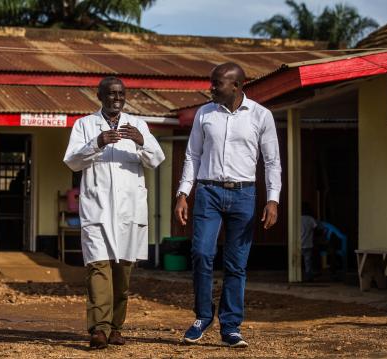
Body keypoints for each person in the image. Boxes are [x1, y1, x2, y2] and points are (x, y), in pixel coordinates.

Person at [174, 62, 281, 348]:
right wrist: (183, 192)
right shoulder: (204, 114)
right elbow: (192, 155)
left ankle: (231, 326)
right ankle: (202, 317)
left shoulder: (261, 115)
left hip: (244, 194)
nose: (211, 88)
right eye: (211, 82)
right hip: (208, 192)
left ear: (236, 86)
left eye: (216, 83)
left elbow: (272, 162)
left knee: (236, 264)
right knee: (200, 253)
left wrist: (273, 199)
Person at [63, 76, 165, 349]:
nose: (116, 98)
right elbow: (72, 162)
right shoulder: (85, 125)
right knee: (98, 268)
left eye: (120, 93)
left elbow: (156, 160)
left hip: (129, 212)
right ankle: (99, 328)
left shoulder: (138, 124)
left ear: (125, 96)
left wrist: (142, 141)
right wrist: (97, 142)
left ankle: (116, 327)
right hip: (97, 209)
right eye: (110, 94)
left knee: (122, 274)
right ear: (100, 96)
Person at [301, 202, 318, 282]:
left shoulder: (297, 218)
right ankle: (308, 276)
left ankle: (299, 275)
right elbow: (316, 227)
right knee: (308, 261)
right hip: (308, 243)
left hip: (298, 243)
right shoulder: (310, 219)